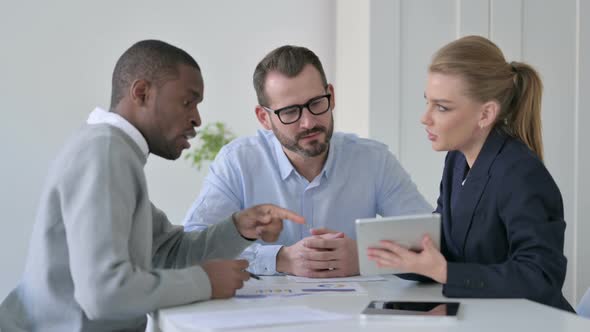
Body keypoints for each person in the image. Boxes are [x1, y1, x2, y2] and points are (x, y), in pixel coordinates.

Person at [0, 40, 304, 331]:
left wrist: (238, 227)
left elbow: (170, 252)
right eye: (188, 102)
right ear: (142, 93)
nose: (197, 119)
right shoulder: (105, 153)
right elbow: (105, 294)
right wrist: (205, 282)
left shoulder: (113, 151)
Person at [183, 45, 432, 278]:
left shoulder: (373, 160)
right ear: (264, 118)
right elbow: (192, 246)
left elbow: (428, 238)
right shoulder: (238, 162)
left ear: (331, 96)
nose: (309, 122)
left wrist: (365, 258)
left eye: (316, 103)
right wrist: (279, 259)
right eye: (290, 111)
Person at [366, 35, 574, 312]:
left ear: (486, 114)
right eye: (427, 102)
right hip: (480, 316)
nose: (424, 117)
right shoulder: (457, 160)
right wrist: (395, 254)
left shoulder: (521, 175)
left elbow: (540, 278)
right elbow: (448, 245)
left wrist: (445, 273)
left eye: (441, 107)